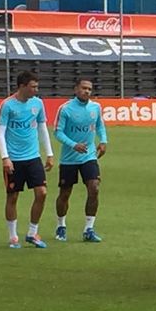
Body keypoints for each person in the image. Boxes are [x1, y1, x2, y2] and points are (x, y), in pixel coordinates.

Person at [0, 70, 54, 248]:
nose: (36, 90)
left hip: (33, 157)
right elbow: (0, 132)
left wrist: (49, 153)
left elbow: (42, 129)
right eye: (33, 87)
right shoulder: (8, 105)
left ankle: (32, 232)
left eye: (37, 86)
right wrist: (5, 158)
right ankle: (13, 236)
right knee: (13, 197)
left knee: (42, 193)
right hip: (13, 159)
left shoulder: (37, 104)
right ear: (22, 86)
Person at [53, 78, 107, 243]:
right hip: (69, 158)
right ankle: (61, 225)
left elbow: (99, 125)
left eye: (89, 89)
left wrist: (103, 141)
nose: (87, 91)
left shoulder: (95, 107)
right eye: (84, 88)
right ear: (76, 89)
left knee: (94, 188)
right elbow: (58, 132)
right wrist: (73, 144)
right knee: (65, 193)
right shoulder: (66, 109)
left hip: (89, 156)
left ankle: (89, 229)